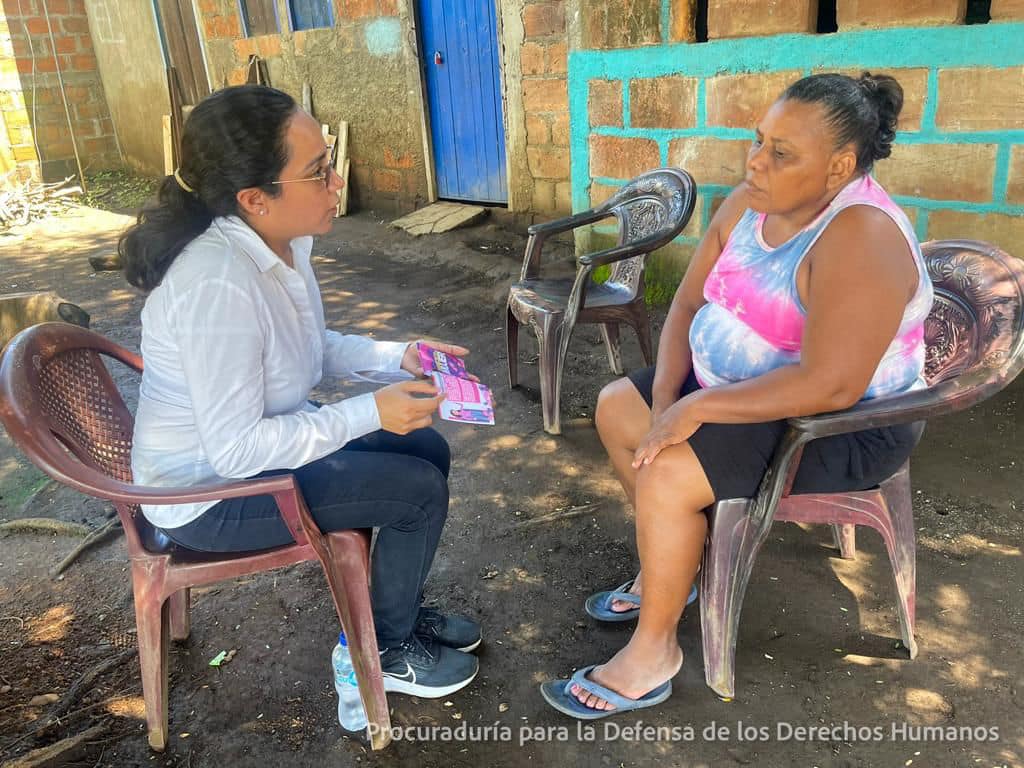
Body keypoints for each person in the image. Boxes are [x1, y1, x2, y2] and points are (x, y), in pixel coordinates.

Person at [541, 72, 933, 718]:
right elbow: (688, 303)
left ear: (839, 166)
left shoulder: (860, 236)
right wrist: (668, 393)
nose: (756, 160)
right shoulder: (748, 203)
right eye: (759, 141)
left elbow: (832, 382)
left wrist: (693, 409)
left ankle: (655, 649)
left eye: (782, 152)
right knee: (620, 407)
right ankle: (670, 566)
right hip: (740, 390)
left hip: (839, 423)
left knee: (667, 470)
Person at [119, 85, 480, 700]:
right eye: (317, 172)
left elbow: (308, 345)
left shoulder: (279, 245)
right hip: (209, 494)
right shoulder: (218, 285)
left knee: (428, 453)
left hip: (256, 446)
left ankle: (394, 612)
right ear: (254, 198)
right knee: (413, 492)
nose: (337, 181)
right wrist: (368, 411)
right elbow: (234, 451)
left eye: (329, 159)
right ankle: (387, 650)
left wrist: (399, 357)